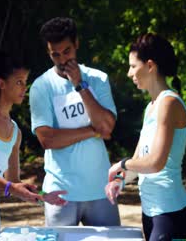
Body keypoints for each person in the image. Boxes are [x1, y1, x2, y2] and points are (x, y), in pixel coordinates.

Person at [0, 49, 68, 240]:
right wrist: (11, 187)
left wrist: (41, 196)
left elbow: (13, 182)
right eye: (19, 82)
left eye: (25, 82)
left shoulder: (15, 131)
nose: (25, 88)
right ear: (1, 84)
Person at [29, 17, 121, 226]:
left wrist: (80, 85)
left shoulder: (98, 79)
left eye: (67, 51)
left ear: (77, 44)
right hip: (60, 192)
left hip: (100, 188)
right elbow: (47, 139)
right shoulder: (40, 87)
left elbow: (107, 127)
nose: (62, 61)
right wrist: (92, 130)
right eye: (55, 55)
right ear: (48, 52)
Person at [105, 33, 186, 240]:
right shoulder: (151, 106)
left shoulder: (169, 103)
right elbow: (140, 162)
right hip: (151, 213)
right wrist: (120, 180)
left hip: (170, 214)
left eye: (133, 66)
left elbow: (155, 163)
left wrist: (121, 164)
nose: (129, 73)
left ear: (150, 66)